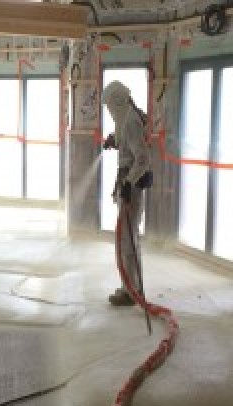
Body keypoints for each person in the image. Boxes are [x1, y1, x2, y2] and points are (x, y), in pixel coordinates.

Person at [101, 80, 153, 306]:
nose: (109, 111)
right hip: (128, 182)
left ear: (118, 101)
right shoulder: (127, 117)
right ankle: (132, 287)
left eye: (110, 106)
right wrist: (114, 140)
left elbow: (142, 159)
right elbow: (128, 143)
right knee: (128, 237)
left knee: (127, 239)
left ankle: (130, 291)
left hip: (132, 185)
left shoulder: (131, 121)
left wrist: (129, 184)